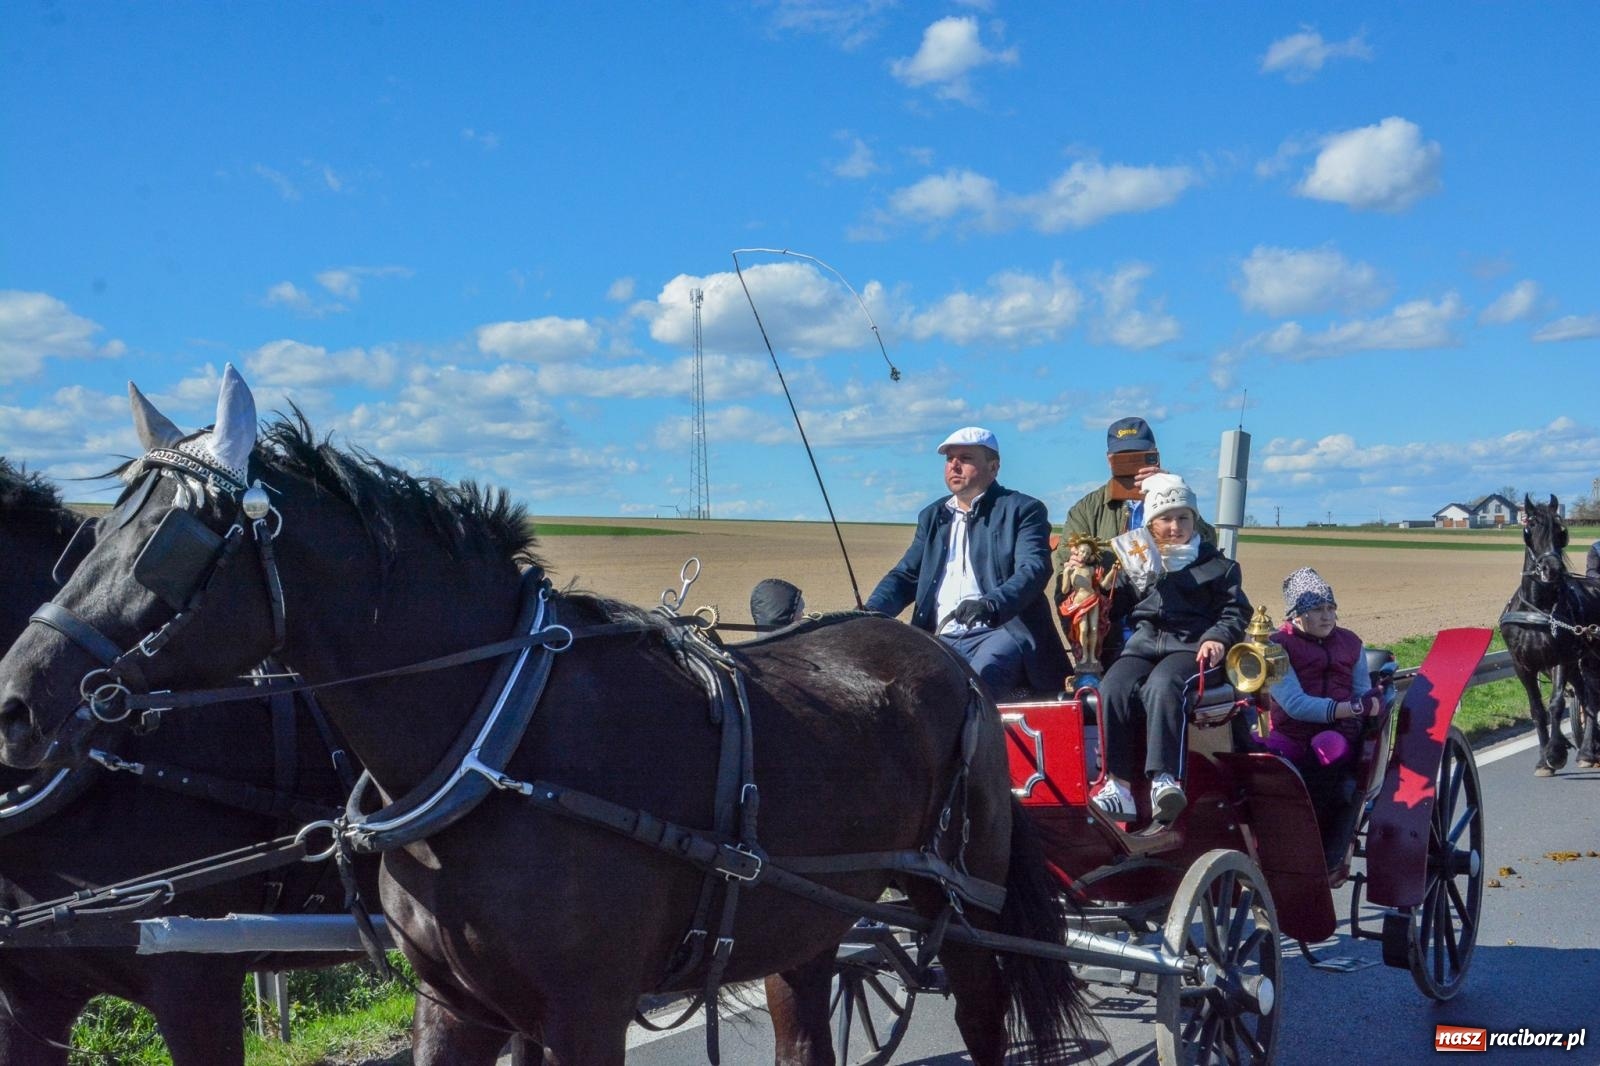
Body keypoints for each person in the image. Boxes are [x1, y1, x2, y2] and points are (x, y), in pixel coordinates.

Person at [1091, 473, 1251, 825]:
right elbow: (1116, 611)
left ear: (1195, 520)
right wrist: (1100, 588)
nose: (1175, 526)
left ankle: (1165, 780)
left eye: (1184, 517)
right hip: (1144, 644)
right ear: (1151, 523)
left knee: (1163, 685)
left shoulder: (1219, 567)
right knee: (1112, 687)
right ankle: (1117, 785)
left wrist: (1217, 637)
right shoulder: (1138, 561)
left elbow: (1235, 612)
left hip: (1193, 648)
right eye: (1165, 518)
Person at [865, 426, 1069, 696]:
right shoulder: (933, 516)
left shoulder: (1023, 510)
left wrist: (991, 605)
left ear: (993, 467)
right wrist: (869, 612)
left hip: (1001, 631)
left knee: (977, 686)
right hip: (938, 637)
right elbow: (905, 576)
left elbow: (1033, 570)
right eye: (950, 459)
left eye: (966, 458)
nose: (954, 466)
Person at [1053, 417, 1216, 664]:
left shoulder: (1175, 497)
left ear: (1155, 456)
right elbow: (1065, 574)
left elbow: (1208, 546)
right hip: (1113, 624)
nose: (1132, 466)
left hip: (1175, 621)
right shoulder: (1087, 510)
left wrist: (1169, 491)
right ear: (1109, 459)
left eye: (1140, 456)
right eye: (1122, 458)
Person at [1263, 568, 1376, 770]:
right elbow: (1294, 704)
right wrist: (1351, 708)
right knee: (1258, 752)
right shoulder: (1273, 648)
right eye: (1317, 609)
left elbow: (1362, 692)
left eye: (1331, 608)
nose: (1327, 617)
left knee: (1328, 746)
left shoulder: (1351, 642)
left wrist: (1366, 709)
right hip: (1290, 732)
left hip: (1340, 731)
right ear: (1296, 614)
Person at [1054, 532, 1117, 686]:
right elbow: (1064, 590)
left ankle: (1092, 657)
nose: (1084, 555)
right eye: (1082, 551)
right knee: (1083, 630)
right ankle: (1084, 656)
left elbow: (1104, 585)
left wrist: (1112, 572)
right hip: (1079, 603)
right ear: (1076, 551)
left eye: (1087, 553)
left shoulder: (1091, 570)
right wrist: (1066, 574)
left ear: (1090, 556)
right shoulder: (1072, 569)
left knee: (1094, 629)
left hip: (1093, 600)